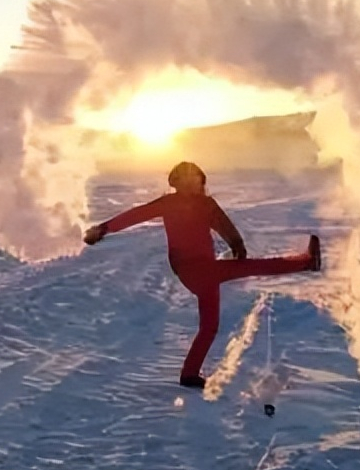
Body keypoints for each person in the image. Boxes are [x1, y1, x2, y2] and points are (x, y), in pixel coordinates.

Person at [83, 161, 321, 389]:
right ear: (176, 182)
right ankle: (306, 262)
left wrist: (237, 244)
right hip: (196, 270)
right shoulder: (176, 203)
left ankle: (189, 374)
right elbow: (135, 215)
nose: (193, 184)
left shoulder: (202, 204)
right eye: (187, 179)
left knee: (209, 326)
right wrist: (103, 228)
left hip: (200, 272)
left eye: (196, 179)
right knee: (256, 266)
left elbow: (224, 226)